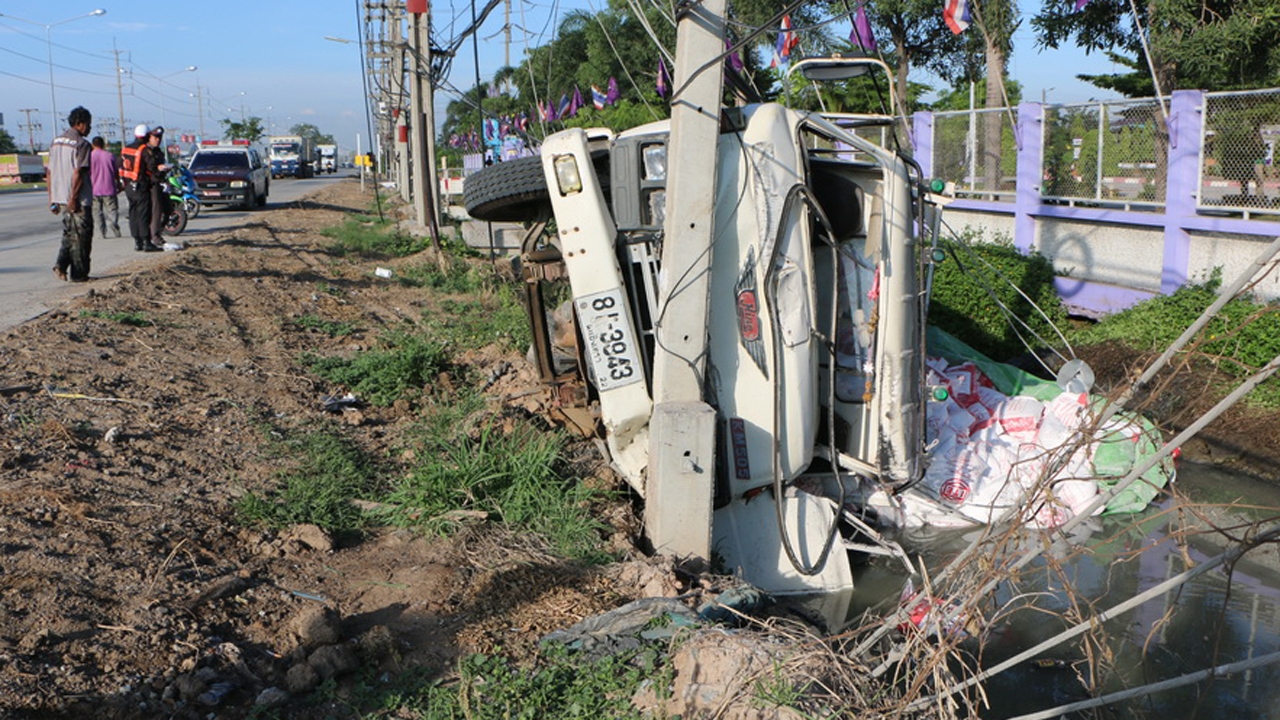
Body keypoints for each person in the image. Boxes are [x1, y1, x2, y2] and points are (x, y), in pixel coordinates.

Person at [48, 106, 95, 282]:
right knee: (82, 237)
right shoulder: (82, 144)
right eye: (88, 124)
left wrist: (52, 199)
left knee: (69, 234)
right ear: (80, 123)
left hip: (60, 196)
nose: (89, 128)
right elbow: (78, 173)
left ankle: (60, 264)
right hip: (78, 198)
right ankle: (79, 274)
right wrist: (74, 198)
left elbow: (49, 172)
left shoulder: (55, 142)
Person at [120, 124, 159, 252]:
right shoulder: (144, 150)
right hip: (141, 185)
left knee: (133, 213)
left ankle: (137, 242)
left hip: (128, 186)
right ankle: (146, 242)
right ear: (147, 135)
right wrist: (160, 172)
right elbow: (152, 167)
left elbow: (119, 165)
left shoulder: (125, 149)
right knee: (143, 213)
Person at [89, 136, 122, 238]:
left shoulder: (89, 157)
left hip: (94, 189)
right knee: (112, 209)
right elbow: (116, 172)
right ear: (103, 144)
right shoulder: (110, 156)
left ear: (93, 145)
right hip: (109, 187)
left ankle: (102, 232)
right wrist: (119, 183)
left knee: (97, 212)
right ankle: (112, 222)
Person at [145, 126, 171, 249]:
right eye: (155, 137)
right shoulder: (146, 151)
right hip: (152, 183)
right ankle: (155, 237)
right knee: (156, 210)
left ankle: (156, 231)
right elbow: (148, 168)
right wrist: (157, 168)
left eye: (159, 138)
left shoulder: (158, 151)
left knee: (168, 208)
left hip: (161, 182)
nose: (157, 140)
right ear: (149, 137)